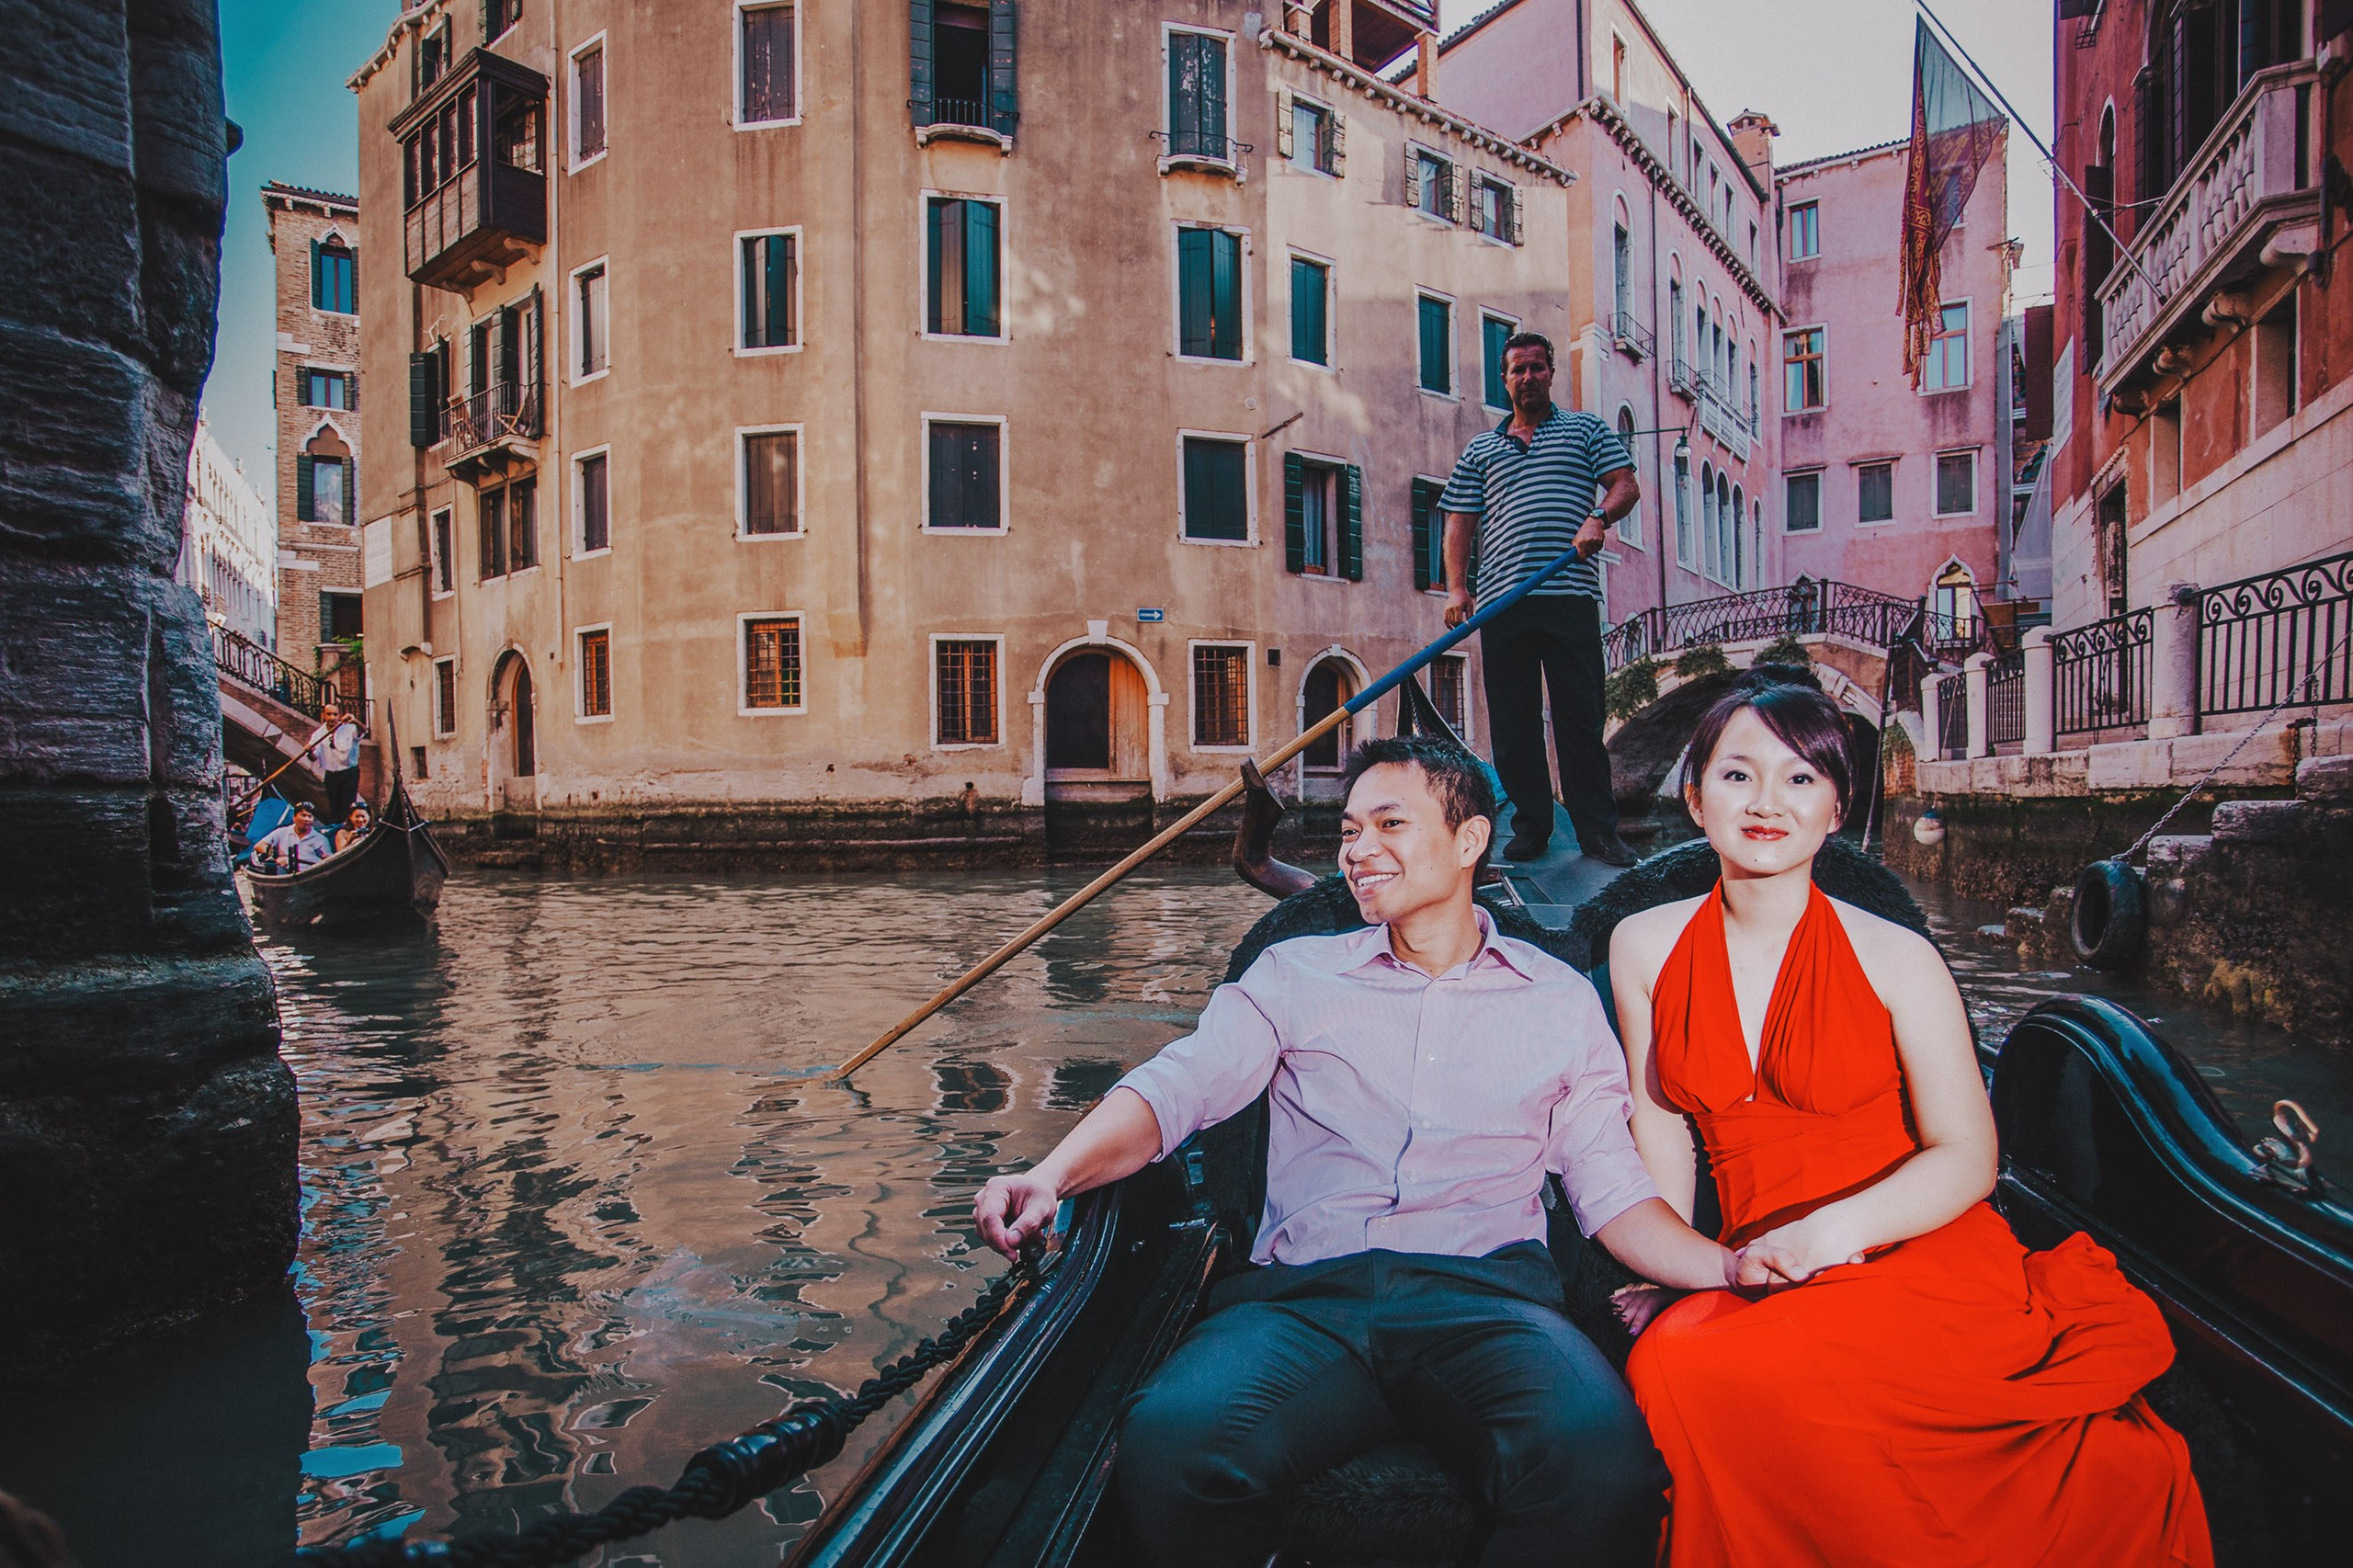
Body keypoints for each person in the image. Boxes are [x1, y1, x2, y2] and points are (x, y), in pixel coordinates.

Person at [973, 734, 1757, 1568]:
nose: (1358, 851)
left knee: (1603, 1467)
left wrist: (1731, 1267)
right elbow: (1179, 1087)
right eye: (1349, 831)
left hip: (1489, 1302)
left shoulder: (1559, 1003)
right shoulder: (1293, 975)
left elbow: (1613, 1191)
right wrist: (1052, 1173)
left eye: (1389, 824)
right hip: (1302, 1303)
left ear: (1468, 842)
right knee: (1174, 1444)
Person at [1606, 671, 2211, 1567]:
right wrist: (1682, 1268)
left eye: (1800, 778)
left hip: (1908, 1241)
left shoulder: (1896, 954)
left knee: (1716, 1369)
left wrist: (1831, 1230)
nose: (1767, 800)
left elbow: (1968, 1153)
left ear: (1836, 807)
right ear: (1694, 798)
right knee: (1673, 1361)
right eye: (1737, 776)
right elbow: (1661, 1128)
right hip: (1757, 1257)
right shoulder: (1641, 942)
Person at [1440, 331, 1642, 868]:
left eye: (1536, 368)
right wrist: (1459, 586)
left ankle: (1598, 831)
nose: (1527, 377)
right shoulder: (1481, 449)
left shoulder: (1585, 430)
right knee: (1514, 723)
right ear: (1504, 381)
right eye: (1517, 370)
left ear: (1551, 373)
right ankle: (1532, 825)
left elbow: (1625, 485)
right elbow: (1459, 521)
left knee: (1581, 718)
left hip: (1569, 595)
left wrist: (1598, 517)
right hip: (1503, 603)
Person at [306, 704, 363, 823]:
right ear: (323, 716)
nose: (332, 717)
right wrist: (309, 751)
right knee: (334, 806)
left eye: (335, 714)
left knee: (348, 805)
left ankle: (348, 828)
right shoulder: (318, 735)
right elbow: (313, 758)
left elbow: (364, 730)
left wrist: (355, 720)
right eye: (329, 714)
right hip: (332, 775)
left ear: (339, 716)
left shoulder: (350, 728)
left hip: (349, 773)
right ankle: (337, 831)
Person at [250, 801, 334, 873]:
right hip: (285, 870)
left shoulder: (321, 839)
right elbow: (259, 846)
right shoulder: (281, 832)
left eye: (310, 816)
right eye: (303, 815)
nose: (307, 819)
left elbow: (329, 861)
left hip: (311, 872)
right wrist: (275, 857)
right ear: (294, 818)